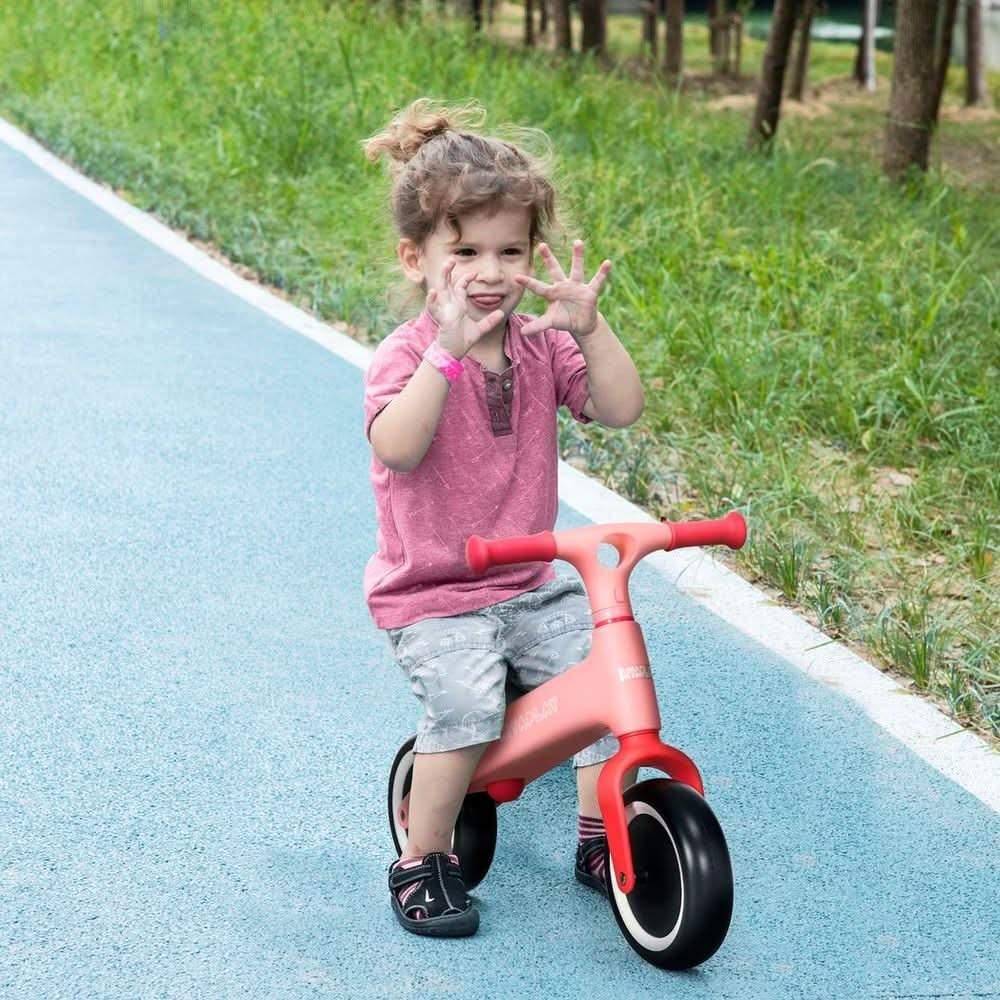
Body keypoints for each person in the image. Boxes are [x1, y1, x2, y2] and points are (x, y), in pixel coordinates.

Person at [362, 99, 645, 938]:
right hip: (437, 591)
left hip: (528, 579)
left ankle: (606, 837)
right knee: (466, 709)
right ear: (419, 260)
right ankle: (423, 856)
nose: (489, 271)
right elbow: (399, 448)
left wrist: (591, 332)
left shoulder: (541, 346)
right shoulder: (408, 357)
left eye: (510, 250)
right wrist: (446, 355)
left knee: (613, 680)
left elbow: (621, 409)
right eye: (466, 251)